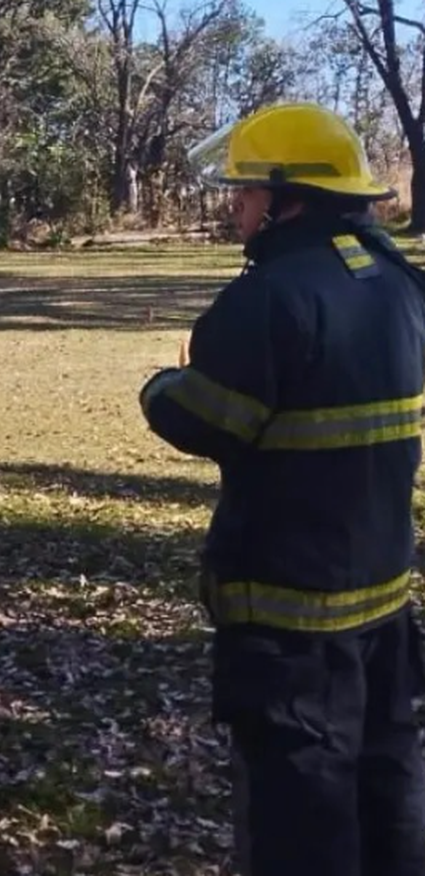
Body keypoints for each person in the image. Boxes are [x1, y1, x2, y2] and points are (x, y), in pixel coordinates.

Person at [141, 102, 425, 876]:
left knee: (299, 808)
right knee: (385, 782)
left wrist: (163, 383)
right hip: (383, 596)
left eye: (245, 190)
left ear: (288, 197)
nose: (234, 204)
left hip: (289, 618)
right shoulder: (398, 279)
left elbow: (205, 422)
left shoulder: (269, 296)